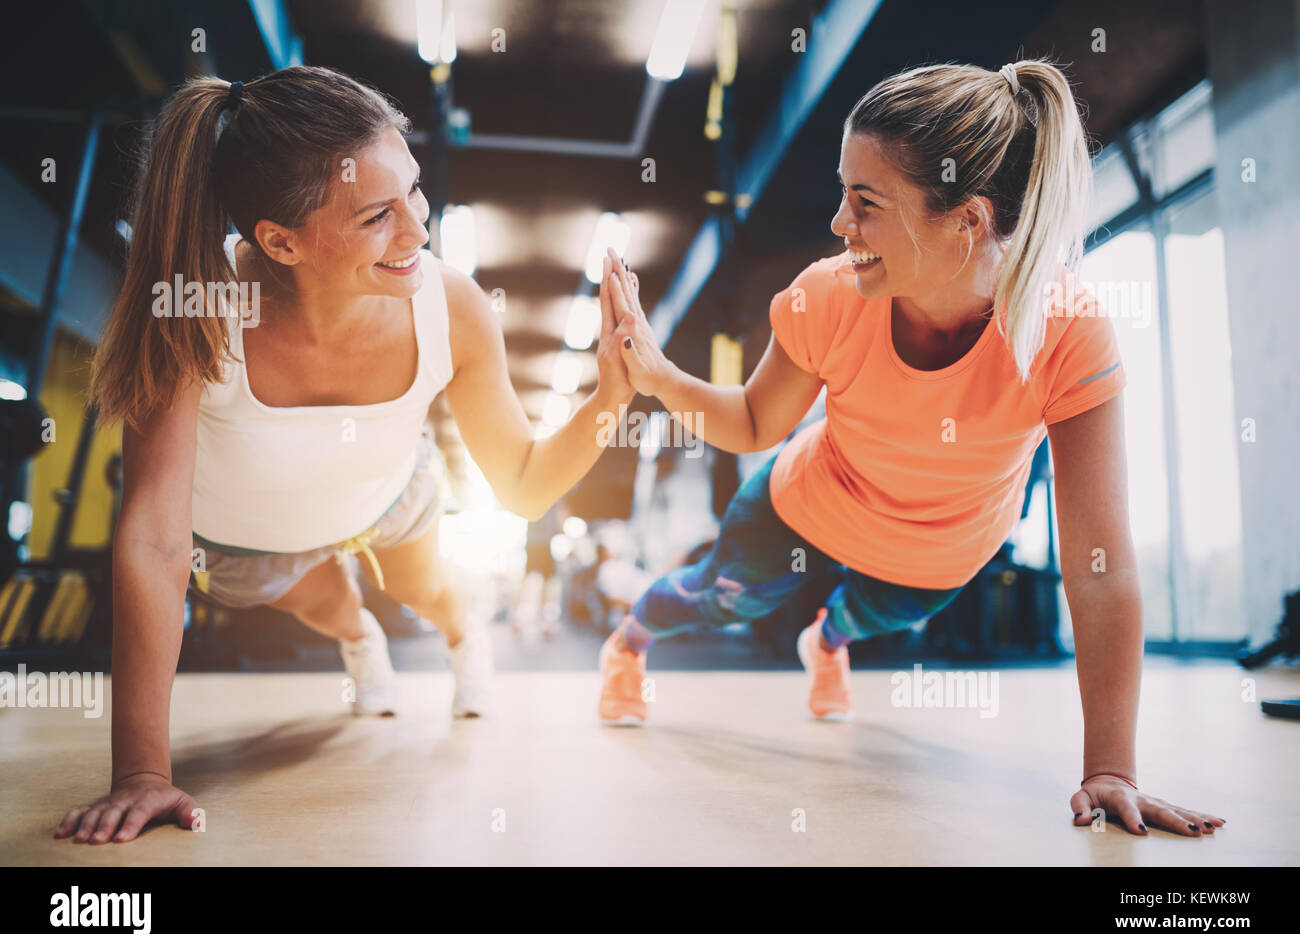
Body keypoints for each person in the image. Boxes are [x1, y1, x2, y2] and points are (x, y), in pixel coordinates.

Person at [597, 60, 1226, 838]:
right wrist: (659, 377)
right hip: (809, 499)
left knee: (863, 619)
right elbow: (756, 424)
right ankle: (629, 642)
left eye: (865, 203)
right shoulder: (829, 294)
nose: (839, 224)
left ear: (964, 221)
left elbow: (1101, 567)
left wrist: (1111, 769)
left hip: (940, 550)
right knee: (728, 597)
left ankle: (826, 639)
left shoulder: (1067, 331)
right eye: (841, 193)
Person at [57, 66, 633, 845]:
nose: (417, 231)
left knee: (427, 592)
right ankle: (360, 643)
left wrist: (610, 399)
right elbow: (157, 536)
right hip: (246, 538)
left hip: (387, 496)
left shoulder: (452, 304)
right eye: (376, 217)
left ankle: (466, 638)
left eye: (416, 193)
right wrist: (142, 774)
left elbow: (526, 486)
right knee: (332, 606)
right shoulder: (198, 309)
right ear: (280, 242)